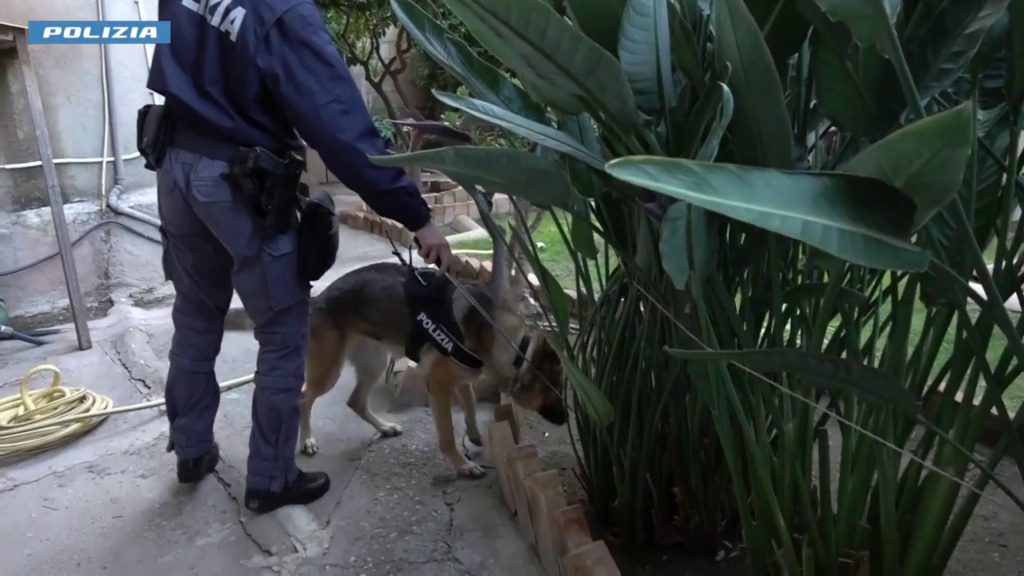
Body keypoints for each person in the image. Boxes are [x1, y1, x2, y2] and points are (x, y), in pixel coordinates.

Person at [145, 0, 452, 514]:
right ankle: (271, 477)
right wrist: (415, 215)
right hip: (236, 178)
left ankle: (192, 449)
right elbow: (338, 124)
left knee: (196, 314)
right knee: (284, 329)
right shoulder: (283, 11)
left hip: (174, 163)